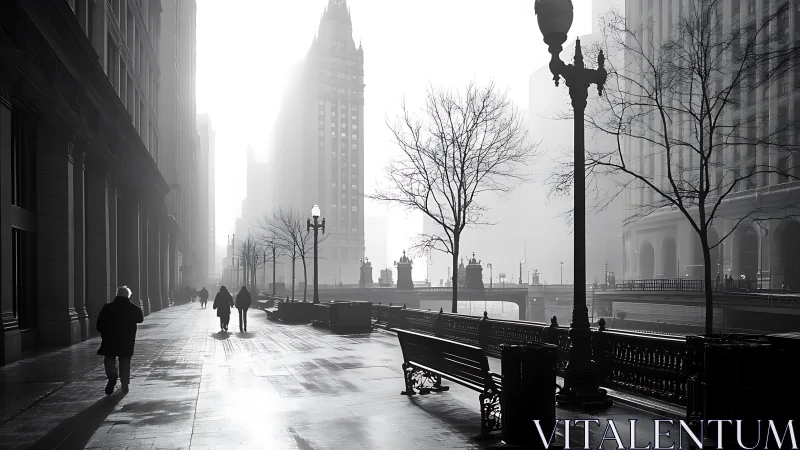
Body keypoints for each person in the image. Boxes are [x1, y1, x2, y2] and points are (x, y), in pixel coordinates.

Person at [96, 286, 144, 395]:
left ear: (117, 294)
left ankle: (112, 376)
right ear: (128, 295)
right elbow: (140, 319)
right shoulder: (134, 308)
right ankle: (125, 383)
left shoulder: (107, 307)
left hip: (110, 338)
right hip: (127, 339)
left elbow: (99, 323)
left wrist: (104, 332)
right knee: (125, 361)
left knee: (109, 359)